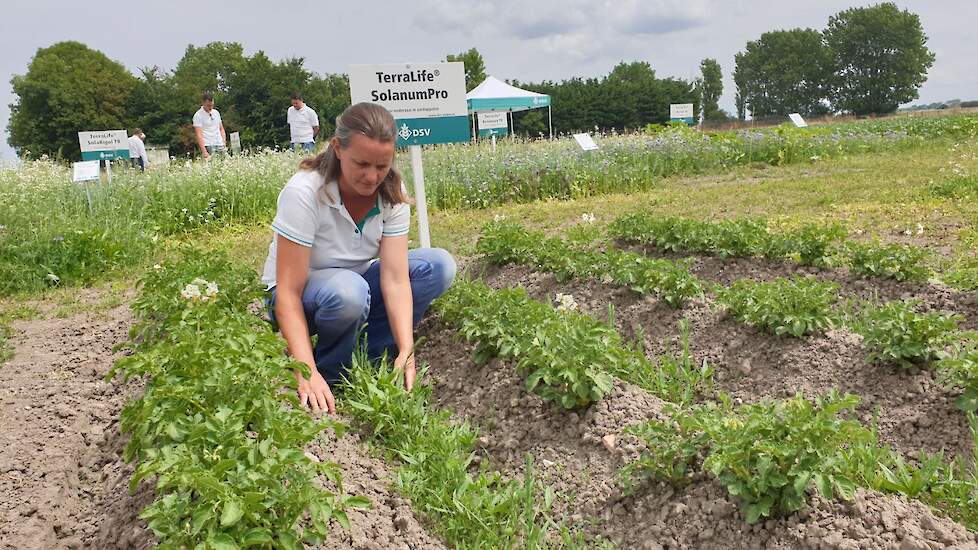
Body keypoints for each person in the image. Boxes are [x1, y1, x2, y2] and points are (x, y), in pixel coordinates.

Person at [262, 102, 456, 415]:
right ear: (337, 148)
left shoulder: (392, 193)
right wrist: (304, 371)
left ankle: (372, 358)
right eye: (362, 164)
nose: (372, 176)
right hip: (298, 296)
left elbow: (394, 278)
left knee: (437, 267)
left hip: (354, 287)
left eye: (382, 166)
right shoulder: (305, 192)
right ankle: (329, 373)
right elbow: (287, 292)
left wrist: (407, 347)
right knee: (349, 292)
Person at [192, 92, 227, 159]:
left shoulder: (216, 113)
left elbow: (221, 129)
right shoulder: (198, 115)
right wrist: (204, 151)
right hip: (208, 145)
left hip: (219, 144)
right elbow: (199, 134)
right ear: (203, 103)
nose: (210, 108)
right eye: (208, 106)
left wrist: (224, 143)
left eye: (212, 105)